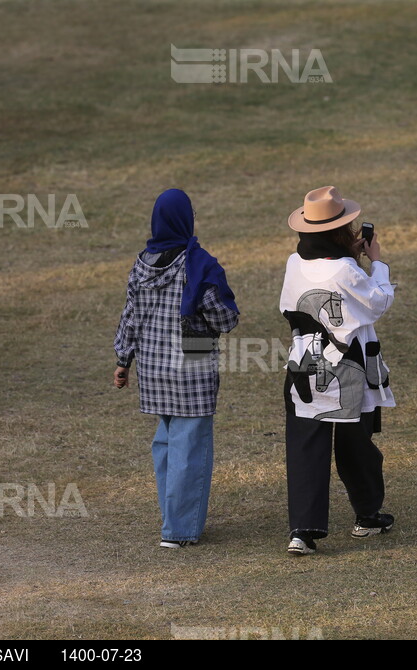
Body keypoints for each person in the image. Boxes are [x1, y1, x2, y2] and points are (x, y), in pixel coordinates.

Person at [113, 189, 239, 549]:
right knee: (190, 447)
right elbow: (224, 318)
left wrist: (123, 360)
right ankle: (179, 530)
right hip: (192, 364)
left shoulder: (141, 265)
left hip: (153, 368)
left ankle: (174, 518)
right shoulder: (199, 265)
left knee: (166, 445)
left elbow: (130, 317)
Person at [279, 185, 396, 556]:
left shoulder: (294, 262)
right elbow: (377, 302)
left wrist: (353, 259)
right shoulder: (347, 270)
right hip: (347, 369)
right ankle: (367, 515)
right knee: (356, 446)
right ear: (339, 231)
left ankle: (303, 530)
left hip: (303, 368)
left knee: (305, 449)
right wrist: (376, 262)